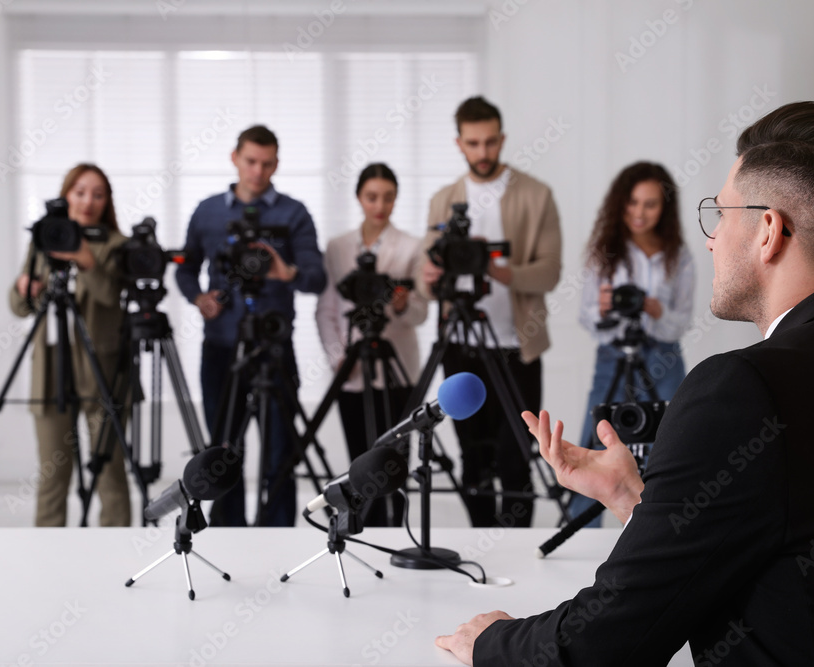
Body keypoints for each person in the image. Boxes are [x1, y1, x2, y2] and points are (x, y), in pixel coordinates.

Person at [436, 101, 814, 664]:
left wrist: (491, 641)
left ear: (768, 232)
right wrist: (635, 500)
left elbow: (605, 645)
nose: (711, 239)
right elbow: (801, 558)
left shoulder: (743, 388)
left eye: (722, 215)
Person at [416, 96, 562, 528]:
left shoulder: (536, 195)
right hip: (460, 347)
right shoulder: (444, 201)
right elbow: (430, 283)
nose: (483, 153)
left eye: (490, 142)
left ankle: (517, 547)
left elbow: (550, 273)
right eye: (473, 143)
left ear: (502, 140)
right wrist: (429, 276)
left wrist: (494, 268)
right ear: (459, 143)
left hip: (518, 346)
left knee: (517, 453)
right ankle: (483, 541)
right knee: (472, 456)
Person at [176, 124, 326, 527]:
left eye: (267, 163)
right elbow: (185, 268)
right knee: (223, 450)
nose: (258, 172)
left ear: (277, 163)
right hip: (221, 347)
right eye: (251, 162)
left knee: (280, 450)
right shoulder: (208, 211)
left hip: (275, 348)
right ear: (234, 158)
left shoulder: (294, 213)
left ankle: (276, 536)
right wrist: (198, 298)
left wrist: (284, 271)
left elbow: (317, 278)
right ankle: (228, 534)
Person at [570, 162, 695, 525]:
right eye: (633, 202)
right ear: (620, 203)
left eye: (650, 204)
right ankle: (583, 528)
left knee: (672, 443)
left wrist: (655, 310)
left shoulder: (679, 256)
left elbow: (682, 321)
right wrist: (605, 309)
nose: (639, 213)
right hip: (612, 354)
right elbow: (586, 317)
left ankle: (667, 527)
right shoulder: (605, 252)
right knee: (595, 441)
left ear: (664, 207)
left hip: (664, 357)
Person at [9, 163, 132, 527]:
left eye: (97, 194)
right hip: (51, 367)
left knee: (109, 471)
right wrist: (23, 288)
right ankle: (48, 555)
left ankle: (118, 550)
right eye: (80, 192)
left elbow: (110, 294)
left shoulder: (117, 245)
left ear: (107, 200)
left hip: (103, 369)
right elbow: (20, 307)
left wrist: (84, 259)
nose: (88, 201)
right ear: (66, 196)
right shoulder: (43, 239)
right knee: (52, 473)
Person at [315, 163, 428, 526]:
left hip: (398, 372)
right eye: (372, 197)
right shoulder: (337, 247)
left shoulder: (411, 247)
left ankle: (396, 530)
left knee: (395, 459)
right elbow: (327, 308)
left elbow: (421, 311)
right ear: (359, 198)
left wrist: (401, 305)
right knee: (360, 458)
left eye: (388, 197)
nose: (380, 205)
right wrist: (338, 357)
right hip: (352, 367)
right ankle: (362, 525)